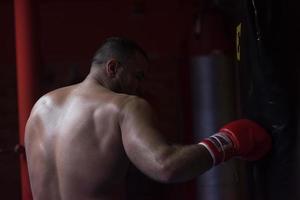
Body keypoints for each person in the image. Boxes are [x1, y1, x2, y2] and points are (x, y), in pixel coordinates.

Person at [25, 37, 271, 200]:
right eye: (138, 75)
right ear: (112, 68)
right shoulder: (123, 106)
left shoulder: (40, 107)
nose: (140, 86)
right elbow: (166, 166)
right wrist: (228, 141)